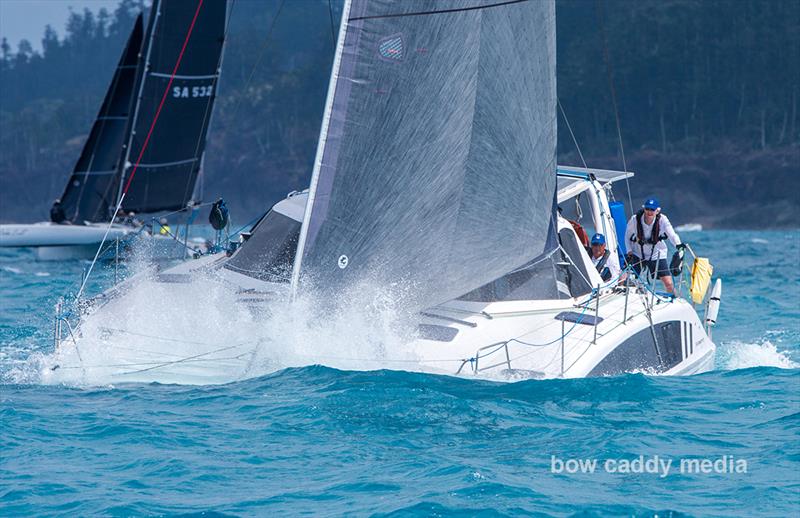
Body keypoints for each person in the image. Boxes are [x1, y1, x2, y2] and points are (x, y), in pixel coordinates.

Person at [624, 197, 683, 294]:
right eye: (647, 209)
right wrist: (629, 251)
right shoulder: (635, 219)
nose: (649, 212)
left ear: (657, 211)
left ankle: (676, 299)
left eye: (652, 209)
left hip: (657, 254)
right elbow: (627, 236)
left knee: (668, 283)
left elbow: (672, 235)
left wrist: (679, 245)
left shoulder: (663, 220)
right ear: (644, 209)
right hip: (637, 253)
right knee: (624, 280)